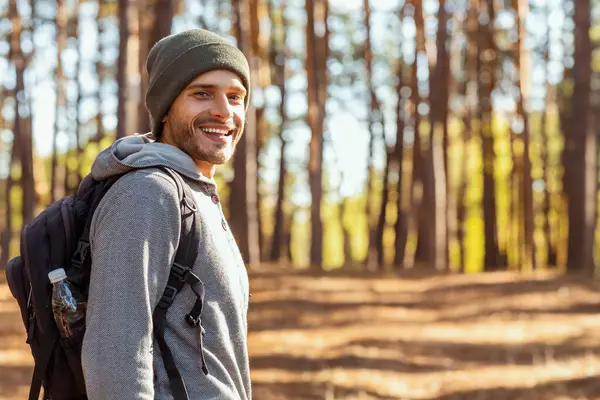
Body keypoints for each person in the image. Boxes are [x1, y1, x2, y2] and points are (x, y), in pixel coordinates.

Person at [81, 29, 252, 400]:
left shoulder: (196, 194)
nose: (225, 111)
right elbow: (115, 356)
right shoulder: (148, 194)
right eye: (202, 93)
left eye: (235, 97)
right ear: (166, 105)